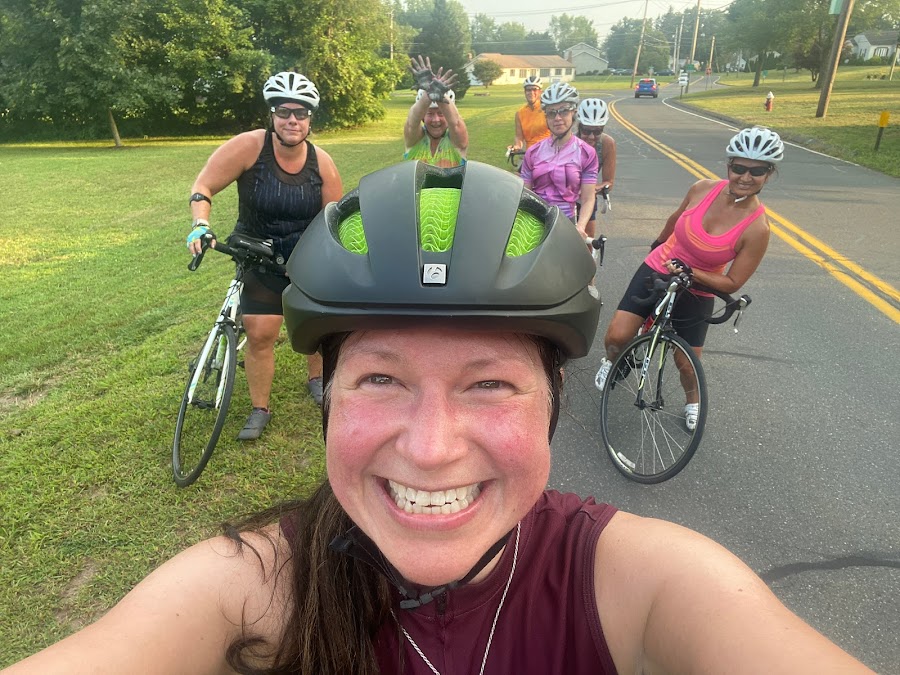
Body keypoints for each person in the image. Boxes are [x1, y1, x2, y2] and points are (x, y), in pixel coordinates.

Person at [5, 161, 874, 675]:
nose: (428, 447)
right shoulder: (258, 581)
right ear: (328, 396)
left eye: (490, 385)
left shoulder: (641, 578)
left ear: (551, 409)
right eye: (379, 378)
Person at [185, 71, 343, 436]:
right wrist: (200, 223)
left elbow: (333, 219)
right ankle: (260, 408)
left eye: (301, 113)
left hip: (305, 258)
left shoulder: (323, 163)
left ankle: (316, 379)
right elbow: (204, 186)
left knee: (317, 327)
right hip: (257, 254)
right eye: (284, 112)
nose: (292, 120)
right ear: (272, 115)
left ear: (310, 118)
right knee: (260, 333)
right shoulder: (249, 147)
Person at [594, 127, 783, 431]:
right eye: (739, 167)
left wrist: (692, 273)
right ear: (728, 166)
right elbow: (675, 219)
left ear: (769, 173)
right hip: (660, 267)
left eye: (757, 170)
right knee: (616, 337)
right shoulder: (701, 188)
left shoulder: (757, 229)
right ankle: (618, 361)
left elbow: (733, 282)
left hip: (702, 285)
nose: (745, 177)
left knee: (686, 363)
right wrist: (657, 244)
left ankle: (692, 401)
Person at [520, 81, 598, 239]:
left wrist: (581, 226)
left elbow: (588, 197)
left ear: (573, 113)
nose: (557, 118)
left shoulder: (586, 153)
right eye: (551, 113)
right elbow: (525, 194)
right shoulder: (533, 152)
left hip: (566, 222)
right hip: (534, 222)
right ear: (546, 116)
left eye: (563, 111)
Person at [403, 55, 468, 168]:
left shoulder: (457, 142)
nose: (436, 120)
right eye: (430, 113)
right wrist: (428, 94)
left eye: (441, 113)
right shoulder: (414, 141)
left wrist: (440, 94)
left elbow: (456, 123)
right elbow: (411, 123)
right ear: (423, 117)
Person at [575, 98, 617, 239]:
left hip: (587, 197)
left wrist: (592, 189)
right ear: (579, 127)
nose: (592, 137)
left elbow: (609, 182)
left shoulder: (606, 143)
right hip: (563, 195)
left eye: (598, 131)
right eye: (586, 131)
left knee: (588, 238)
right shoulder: (568, 141)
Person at [509, 75, 551, 152]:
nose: (531, 92)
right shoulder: (520, 113)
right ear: (525, 92)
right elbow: (519, 137)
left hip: (547, 151)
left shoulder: (547, 109)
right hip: (530, 153)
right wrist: (517, 146)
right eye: (528, 90)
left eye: (534, 89)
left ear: (540, 92)